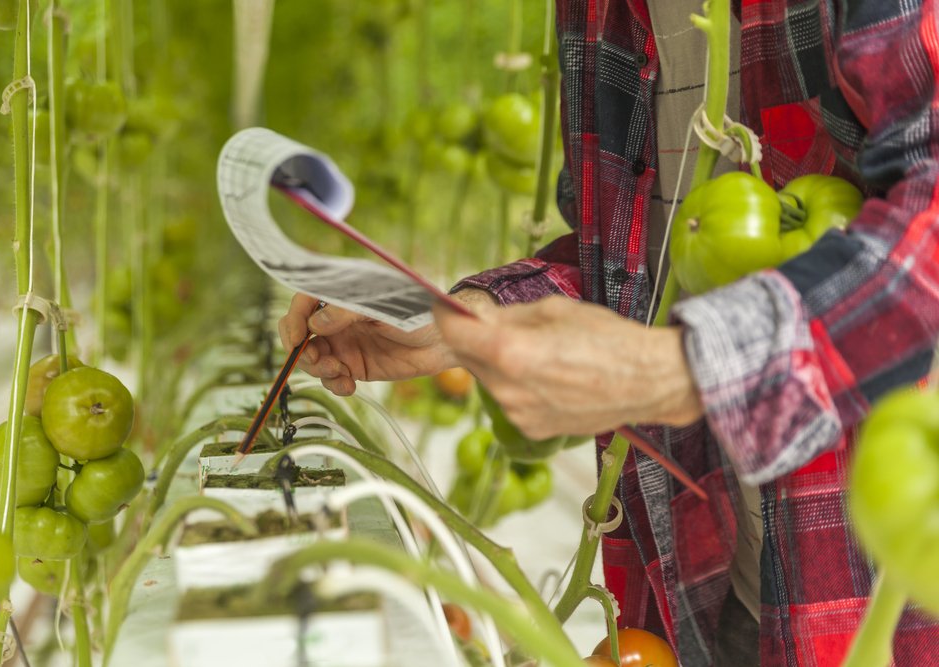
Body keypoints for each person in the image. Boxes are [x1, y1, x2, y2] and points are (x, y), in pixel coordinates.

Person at [279, 0, 939, 664]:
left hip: (881, 593)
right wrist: (461, 318)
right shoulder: (594, 12)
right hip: (715, 580)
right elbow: (625, 254)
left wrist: (684, 368)